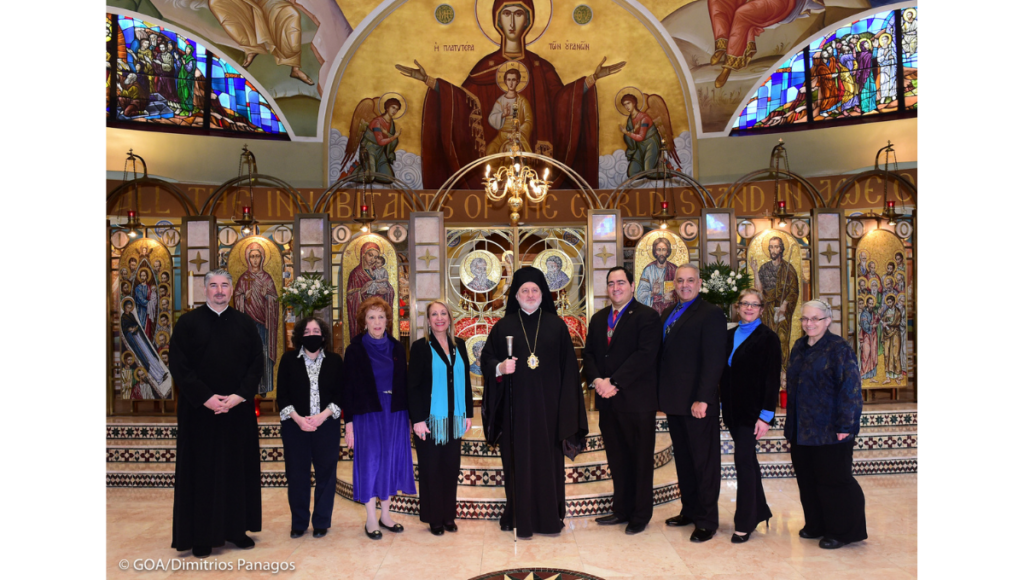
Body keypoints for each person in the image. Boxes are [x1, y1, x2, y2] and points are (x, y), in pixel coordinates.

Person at [396, 0, 624, 189]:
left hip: (531, 157)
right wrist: (428, 81)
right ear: (497, 20)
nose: (512, 22)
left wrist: (592, 79)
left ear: (529, 20)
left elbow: (562, 103)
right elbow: (461, 101)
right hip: (497, 154)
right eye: (506, 14)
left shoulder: (540, 67)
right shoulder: (486, 66)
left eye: (518, 14)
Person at [480, 266, 588, 539]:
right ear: (515, 296)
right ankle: (517, 514)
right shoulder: (503, 326)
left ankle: (550, 517)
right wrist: (500, 368)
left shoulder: (557, 326)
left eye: (535, 290)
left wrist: (567, 416)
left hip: (549, 414)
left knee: (547, 465)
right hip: (514, 413)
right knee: (516, 464)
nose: (530, 294)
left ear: (543, 294)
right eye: (524, 290)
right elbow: (487, 361)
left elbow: (569, 374)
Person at [168, 269, 265, 559]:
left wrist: (237, 397)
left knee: (237, 469)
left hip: (237, 411)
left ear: (232, 290)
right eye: (213, 286)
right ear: (204, 290)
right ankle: (200, 536)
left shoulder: (246, 324)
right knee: (201, 472)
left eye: (224, 285)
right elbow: (179, 365)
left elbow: (256, 365)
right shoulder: (188, 323)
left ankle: (236, 530)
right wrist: (207, 398)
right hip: (200, 413)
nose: (219, 290)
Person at [583, 267, 660, 535]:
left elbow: (645, 355)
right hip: (608, 402)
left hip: (636, 402)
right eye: (611, 283)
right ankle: (621, 509)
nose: (616, 287)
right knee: (617, 458)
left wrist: (614, 382)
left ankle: (640, 515)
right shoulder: (598, 318)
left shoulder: (647, 316)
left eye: (620, 282)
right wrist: (598, 381)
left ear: (631, 284)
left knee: (639, 459)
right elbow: (589, 354)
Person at [785, 299, 867, 549]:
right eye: (805, 319)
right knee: (807, 480)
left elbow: (850, 389)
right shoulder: (799, 346)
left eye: (815, 319)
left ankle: (842, 531)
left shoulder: (839, 348)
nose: (809, 323)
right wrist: (791, 428)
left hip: (831, 429)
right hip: (802, 428)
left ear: (828, 321)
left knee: (834, 481)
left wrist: (846, 425)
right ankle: (816, 524)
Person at [658, 264, 728, 543]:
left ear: (699, 283)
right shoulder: (669, 313)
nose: (685, 284)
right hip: (675, 402)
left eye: (690, 280)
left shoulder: (710, 314)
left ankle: (708, 519)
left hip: (697, 403)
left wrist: (703, 398)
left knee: (704, 461)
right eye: (680, 280)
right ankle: (690, 509)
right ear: (673, 284)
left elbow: (714, 360)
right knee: (685, 460)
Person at [342, 296, 416, 540]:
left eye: (381, 317)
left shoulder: (396, 347)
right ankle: (371, 518)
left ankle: (385, 514)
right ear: (364, 321)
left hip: (395, 412)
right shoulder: (354, 350)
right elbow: (348, 388)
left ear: (387, 320)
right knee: (370, 463)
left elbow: (404, 384)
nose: (376, 322)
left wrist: (409, 418)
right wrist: (349, 423)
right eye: (371, 317)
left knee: (390, 461)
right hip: (368, 413)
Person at [719, 289, 781, 543]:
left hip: (753, 413)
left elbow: (771, 379)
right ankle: (760, 510)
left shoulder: (768, 338)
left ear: (762, 309)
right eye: (745, 304)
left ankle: (744, 522)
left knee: (743, 461)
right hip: (732, 412)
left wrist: (766, 416)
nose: (749, 308)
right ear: (738, 307)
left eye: (754, 305)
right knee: (749, 461)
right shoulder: (728, 335)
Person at [408, 301, 474, 535]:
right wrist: (416, 419)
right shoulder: (420, 348)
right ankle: (434, 518)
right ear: (427, 321)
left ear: (449, 318)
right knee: (431, 470)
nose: (439, 318)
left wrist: (468, 413)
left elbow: (465, 382)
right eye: (434, 314)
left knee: (450, 468)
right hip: (429, 421)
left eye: (443, 313)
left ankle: (448, 516)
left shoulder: (461, 346)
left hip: (455, 419)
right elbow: (413, 387)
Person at [276, 317, 344, 539]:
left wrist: (322, 416)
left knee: (326, 474)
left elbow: (340, 394)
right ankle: (299, 522)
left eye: (316, 330)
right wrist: (298, 419)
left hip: (326, 427)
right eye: (307, 331)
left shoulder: (335, 361)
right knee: (297, 475)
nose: (312, 334)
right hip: (296, 428)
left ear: (323, 336)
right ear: (299, 337)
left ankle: (322, 521)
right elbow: (282, 395)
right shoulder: (288, 360)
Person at [233, 242, 280, 395]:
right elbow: (237, 297)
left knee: (264, 353)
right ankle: (250, 387)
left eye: (257, 256)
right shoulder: (243, 278)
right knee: (249, 353)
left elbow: (274, 299)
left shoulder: (267, 278)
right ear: (248, 258)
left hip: (264, 324)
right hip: (248, 324)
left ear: (262, 258)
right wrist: (243, 298)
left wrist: (268, 296)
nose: (254, 260)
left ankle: (265, 387)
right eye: (252, 256)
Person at [751, 236, 799, 367]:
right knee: (767, 337)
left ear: (781, 248)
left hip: (782, 310)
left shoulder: (788, 269)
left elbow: (794, 290)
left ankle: (783, 369)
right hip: (767, 309)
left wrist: (784, 304)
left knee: (782, 338)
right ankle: (767, 366)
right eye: (771, 247)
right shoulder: (764, 268)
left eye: (776, 247)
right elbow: (759, 290)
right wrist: (755, 271)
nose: (773, 250)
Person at [486, 66, 534, 155]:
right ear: (505, 81)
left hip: (517, 137)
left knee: (511, 150)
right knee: (490, 151)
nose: (511, 83)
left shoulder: (523, 101)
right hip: (502, 136)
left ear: (518, 82)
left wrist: (518, 134)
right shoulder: (500, 100)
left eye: (513, 80)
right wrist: (502, 114)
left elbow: (528, 121)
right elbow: (492, 118)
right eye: (508, 80)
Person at [619, 93, 661, 178]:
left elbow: (641, 137)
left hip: (650, 144)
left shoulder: (644, 118)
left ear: (634, 103)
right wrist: (633, 131)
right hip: (640, 147)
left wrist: (627, 132)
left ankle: (669, 172)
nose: (627, 106)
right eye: (624, 105)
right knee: (632, 173)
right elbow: (630, 137)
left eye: (628, 103)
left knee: (649, 173)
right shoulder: (630, 120)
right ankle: (649, 166)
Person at [359, 98, 402, 180]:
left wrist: (387, 134)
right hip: (369, 150)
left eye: (397, 109)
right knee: (370, 177)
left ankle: (372, 170)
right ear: (387, 108)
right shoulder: (377, 122)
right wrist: (394, 137)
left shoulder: (391, 123)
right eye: (393, 107)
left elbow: (392, 141)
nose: (395, 111)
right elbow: (380, 141)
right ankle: (354, 173)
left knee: (388, 178)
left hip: (380, 152)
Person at [635, 237, 677, 315]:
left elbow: (682, 291)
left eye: (664, 249)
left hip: (671, 311)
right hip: (652, 311)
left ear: (667, 252)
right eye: (658, 250)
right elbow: (640, 295)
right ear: (655, 252)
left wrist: (673, 296)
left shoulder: (675, 270)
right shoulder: (648, 270)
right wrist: (652, 293)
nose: (661, 253)